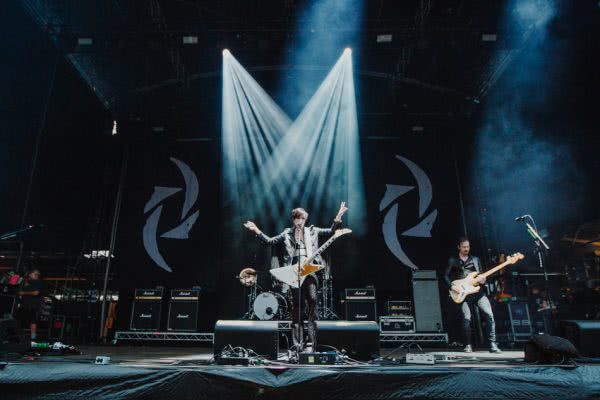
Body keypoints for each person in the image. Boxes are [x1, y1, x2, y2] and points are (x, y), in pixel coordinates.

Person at [244, 202, 348, 352]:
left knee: (312, 301)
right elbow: (271, 241)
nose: (301, 221)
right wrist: (256, 230)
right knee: (296, 309)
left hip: (310, 271)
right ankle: (296, 345)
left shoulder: (313, 231)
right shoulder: (287, 233)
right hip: (294, 272)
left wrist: (339, 215)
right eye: (298, 219)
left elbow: (331, 231)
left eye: (304, 219)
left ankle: (314, 343)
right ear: (294, 219)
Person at [445, 237, 501, 353]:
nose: (466, 249)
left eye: (468, 246)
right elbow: (445, 276)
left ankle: (492, 343)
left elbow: (481, 275)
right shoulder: (452, 261)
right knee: (466, 318)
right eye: (464, 247)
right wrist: (452, 286)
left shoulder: (475, 259)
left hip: (477, 292)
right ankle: (468, 345)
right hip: (463, 293)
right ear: (459, 247)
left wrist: (483, 280)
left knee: (489, 315)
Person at [17, 268, 44, 341]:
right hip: (24, 304)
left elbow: (36, 293)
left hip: (34, 305)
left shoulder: (38, 282)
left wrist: (23, 293)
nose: (36, 274)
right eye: (35, 273)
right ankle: (19, 337)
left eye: (37, 274)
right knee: (21, 320)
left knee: (33, 321)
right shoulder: (25, 281)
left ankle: (33, 337)